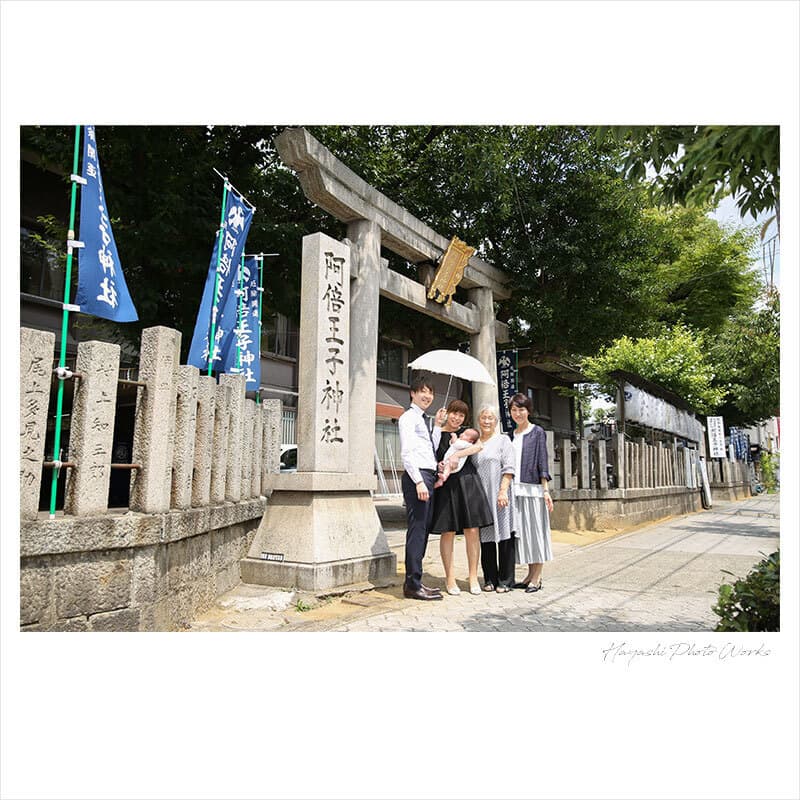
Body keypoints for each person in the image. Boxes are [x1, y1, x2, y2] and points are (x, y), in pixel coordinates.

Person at [430, 400, 493, 595]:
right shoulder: (437, 434)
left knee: (472, 530)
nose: (457, 418)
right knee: (447, 531)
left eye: (462, 415)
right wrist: (441, 464)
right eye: (454, 413)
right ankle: (450, 578)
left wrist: (458, 454)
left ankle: (473, 576)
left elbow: (478, 447)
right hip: (447, 485)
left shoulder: (468, 433)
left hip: (468, 482)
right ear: (447, 412)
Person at [398, 373, 448, 601]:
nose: (427, 396)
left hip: (427, 476)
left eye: (430, 392)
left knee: (424, 529)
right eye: (423, 392)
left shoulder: (423, 419)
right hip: (417, 477)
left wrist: (437, 426)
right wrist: (418, 480)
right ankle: (411, 584)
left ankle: (416, 581)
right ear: (413, 393)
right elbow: (407, 453)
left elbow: (430, 449)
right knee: (417, 530)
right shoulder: (408, 418)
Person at [507, 393, 554, 593]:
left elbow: (543, 461)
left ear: (528, 410)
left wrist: (545, 490)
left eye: (521, 409)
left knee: (536, 533)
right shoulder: (510, 435)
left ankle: (537, 577)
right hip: (514, 490)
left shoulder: (537, 432)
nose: (517, 413)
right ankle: (528, 575)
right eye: (514, 410)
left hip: (533, 490)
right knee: (524, 534)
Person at [472, 405, 516, 593]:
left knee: (505, 536)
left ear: (496, 421)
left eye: (490, 418)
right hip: (481, 496)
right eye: (483, 417)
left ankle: (506, 580)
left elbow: (509, 467)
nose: (487, 421)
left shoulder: (503, 440)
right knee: (486, 538)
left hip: (500, 494)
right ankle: (489, 578)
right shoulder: (474, 443)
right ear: (478, 421)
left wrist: (502, 490)